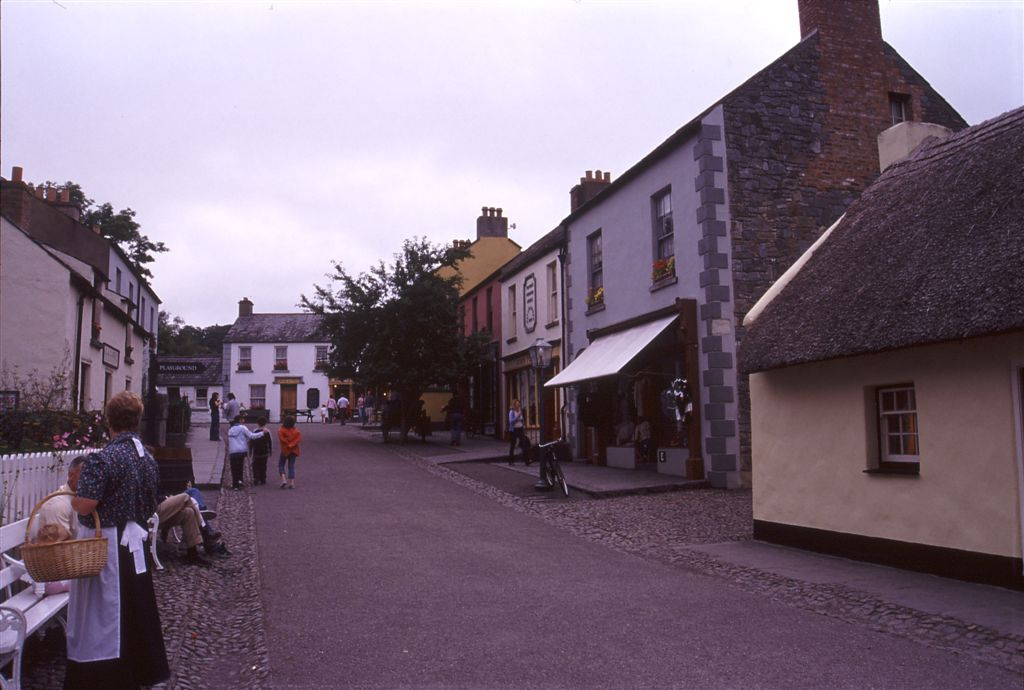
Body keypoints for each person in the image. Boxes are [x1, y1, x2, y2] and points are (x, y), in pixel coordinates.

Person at [66, 391, 170, 688]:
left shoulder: (103, 459)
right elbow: (153, 501)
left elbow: (85, 505)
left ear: (108, 420)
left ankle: (104, 677)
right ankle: (139, 671)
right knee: (135, 609)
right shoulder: (146, 457)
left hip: (106, 547)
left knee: (103, 617)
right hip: (134, 544)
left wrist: (73, 502)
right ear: (136, 420)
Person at [155, 492, 219, 567]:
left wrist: (166, 497)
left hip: (158, 511)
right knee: (186, 497)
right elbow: (148, 497)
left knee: (189, 512)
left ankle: (192, 553)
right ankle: (204, 532)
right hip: (150, 512)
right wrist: (165, 498)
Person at [227, 416, 266, 490]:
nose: (244, 420)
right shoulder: (243, 428)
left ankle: (235, 484)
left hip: (233, 451)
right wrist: (262, 433)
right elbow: (251, 436)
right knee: (240, 466)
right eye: (243, 419)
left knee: (234, 468)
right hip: (241, 450)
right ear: (240, 420)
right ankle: (240, 481)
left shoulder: (231, 429)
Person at [277, 415, 302, 489]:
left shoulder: (281, 430)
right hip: (294, 450)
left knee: (281, 464)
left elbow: (282, 439)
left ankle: (284, 479)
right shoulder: (296, 431)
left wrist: (288, 444)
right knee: (291, 466)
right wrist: (292, 444)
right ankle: (292, 482)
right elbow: (298, 439)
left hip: (285, 449)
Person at [249, 416, 273, 485]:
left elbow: (251, 442)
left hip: (256, 452)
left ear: (257, 423)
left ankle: (256, 478)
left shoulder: (255, 431)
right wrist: (270, 451)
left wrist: (250, 451)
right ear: (265, 423)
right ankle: (263, 478)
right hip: (264, 452)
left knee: (255, 465)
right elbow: (270, 442)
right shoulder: (267, 432)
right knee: (263, 465)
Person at [507, 398, 531, 465]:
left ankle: (527, 461)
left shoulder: (520, 411)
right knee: (513, 445)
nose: (518, 405)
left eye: (519, 403)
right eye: (517, 404)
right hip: (514, 430)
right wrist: (517, 417)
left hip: (520, 429)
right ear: (514, 404)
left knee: (523, 444)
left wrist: (524, 425)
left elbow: (522, 420)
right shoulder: (511, 412)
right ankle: (511, 461)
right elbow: (511, 421)